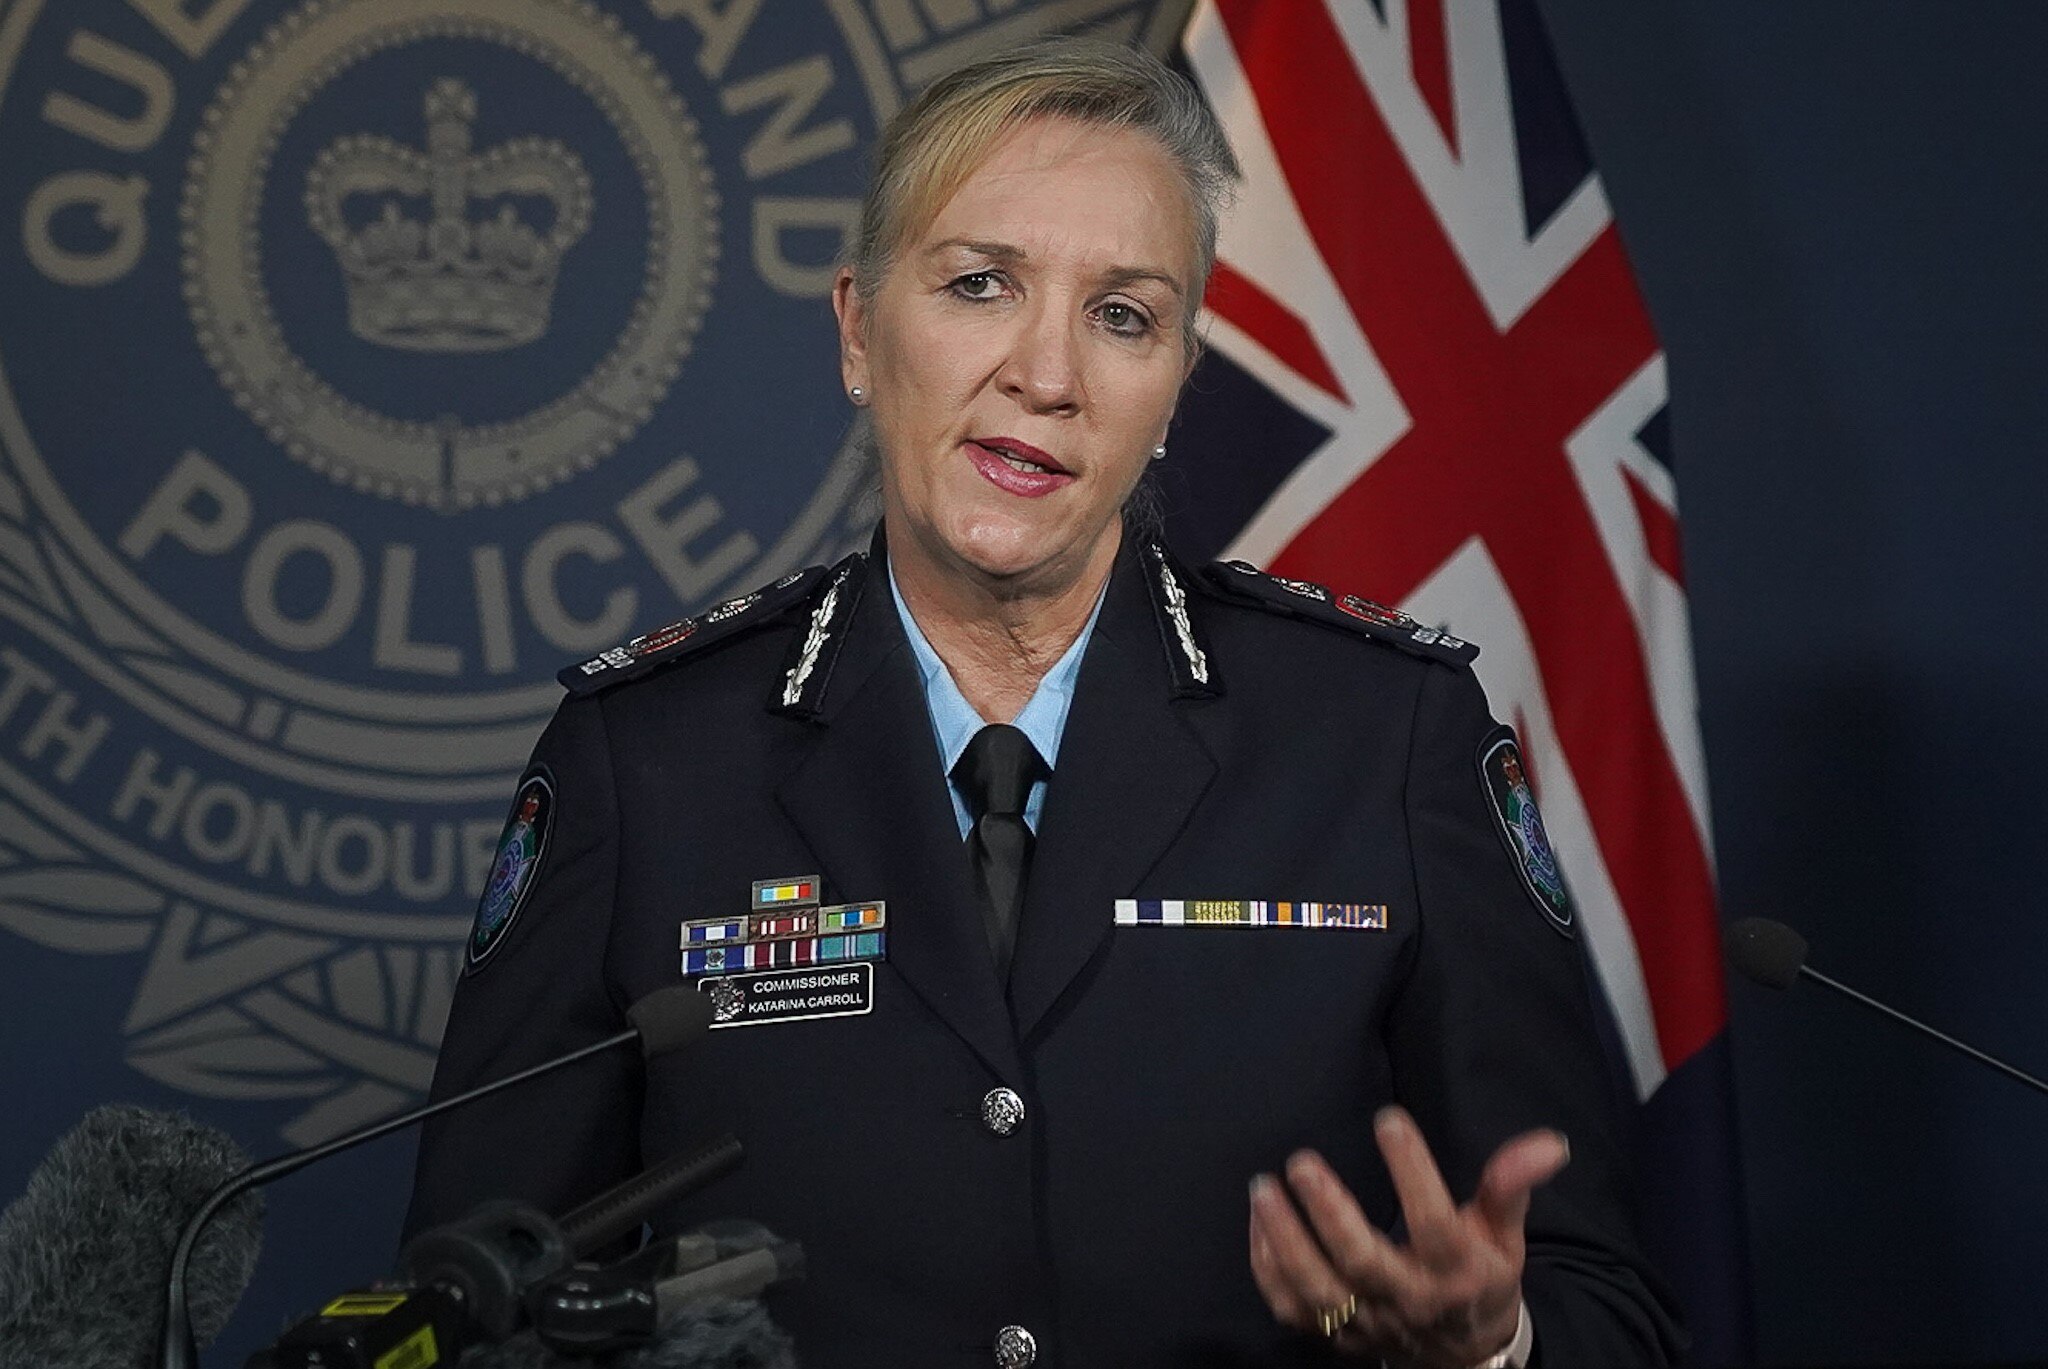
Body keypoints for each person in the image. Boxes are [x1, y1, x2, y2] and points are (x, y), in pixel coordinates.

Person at [407, 38, 1684, 1369]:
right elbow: (469, 1307)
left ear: (1179, 380)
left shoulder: (1385, 740)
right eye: (979, 285)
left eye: (1122, 315)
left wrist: (1492, 1346)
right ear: (857, 328)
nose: (1048, 373)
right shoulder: (646, 762)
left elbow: (1610, 1307)